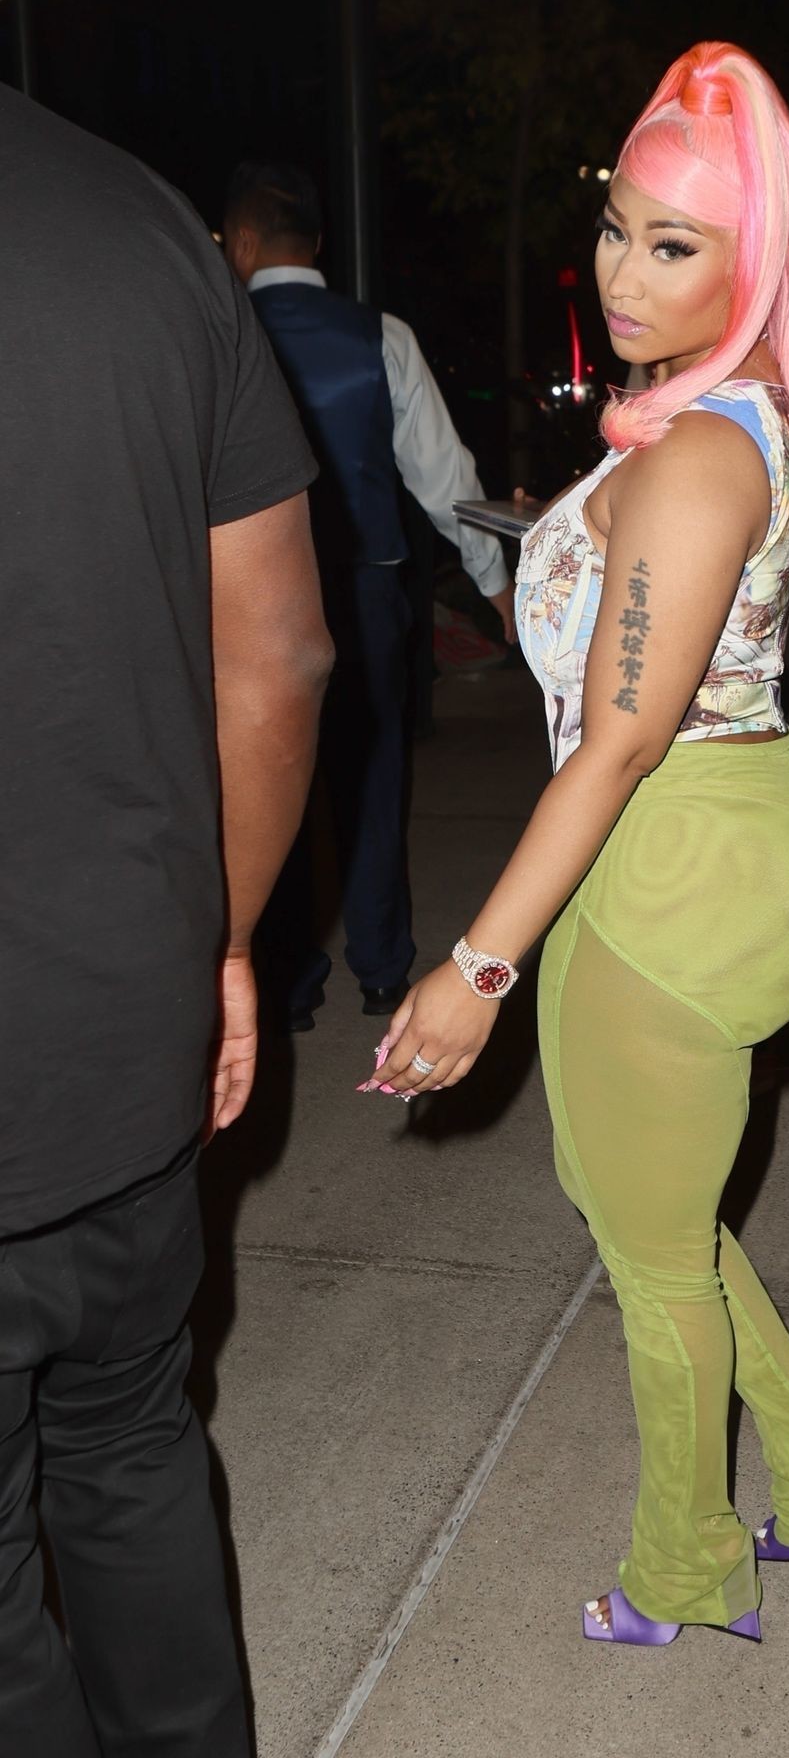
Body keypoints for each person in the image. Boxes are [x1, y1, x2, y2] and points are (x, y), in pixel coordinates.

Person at [361, 42, 789, 1643]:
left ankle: (687, 1571)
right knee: (646, 1208)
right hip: (740, 827)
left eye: (673, 245)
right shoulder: (726, 417)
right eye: (617, 227)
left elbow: (614, 742)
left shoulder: (698, 453)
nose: (623, 271)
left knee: (653, 1255)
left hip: (679, 848)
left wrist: (477, 968)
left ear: (755, 267)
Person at [0, 88, 331, 1752]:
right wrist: (225, 943)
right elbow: (280, 654)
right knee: (129, 1449)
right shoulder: (141, 226)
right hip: (125, 1012)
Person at [222, 162, 514, 1028]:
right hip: (368, 591)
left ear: (241, 243)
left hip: (248, 600)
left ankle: (285, 977)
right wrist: (494, 582)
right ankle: (383, 967)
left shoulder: (220, 335)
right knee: (376, 773)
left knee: (262, 774)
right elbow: (444, 477)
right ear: (317, 244)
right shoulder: (379, 335)